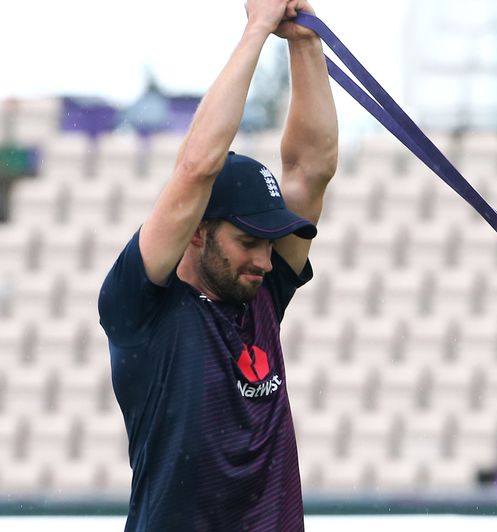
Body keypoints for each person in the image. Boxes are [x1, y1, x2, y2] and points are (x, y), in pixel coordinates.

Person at [97, 0, 337, 529]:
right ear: (197, 232)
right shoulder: (139, 307)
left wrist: (304, 41)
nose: (264, 259)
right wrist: (256, 28)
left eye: (269, 242)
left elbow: (312, 168)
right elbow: (196, 167)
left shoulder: (262, 290)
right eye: (248, 240)